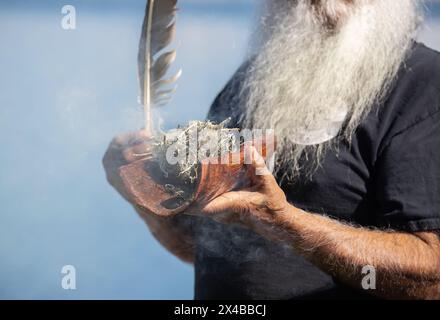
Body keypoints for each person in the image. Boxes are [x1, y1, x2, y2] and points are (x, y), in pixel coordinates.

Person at [103, 0, 440, 299]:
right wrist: (143, 192)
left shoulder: (424, 85)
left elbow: (432, 279)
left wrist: (284, 224)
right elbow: (199, 245)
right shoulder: (251, 81)